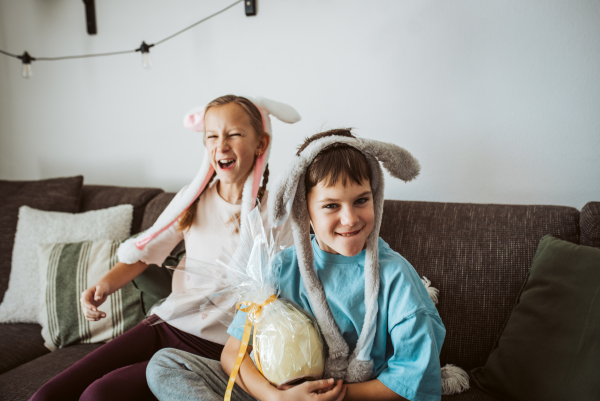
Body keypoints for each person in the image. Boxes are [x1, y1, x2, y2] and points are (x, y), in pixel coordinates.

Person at [30, 95, 300, 401]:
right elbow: (144, 251)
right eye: (212, 136)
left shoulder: (278, 213)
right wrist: (104, 285)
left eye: (235, 134)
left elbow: (293, 285)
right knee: (49, 393)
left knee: (98, 395)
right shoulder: (192, 199)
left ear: (261, 145)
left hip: (216, 347)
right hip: (164, 324)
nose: (221, 146)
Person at [146, 129, 446, 401]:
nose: (350, 219)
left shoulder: (396, 277)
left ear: (376, 198)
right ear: (305, 211)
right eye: (331, 205)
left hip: (353, 396)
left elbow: (413, 378)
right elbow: (234, 353)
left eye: (361, 200)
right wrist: (274, 398)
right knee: (166, 365)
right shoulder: (280, 268)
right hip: (276, 395)